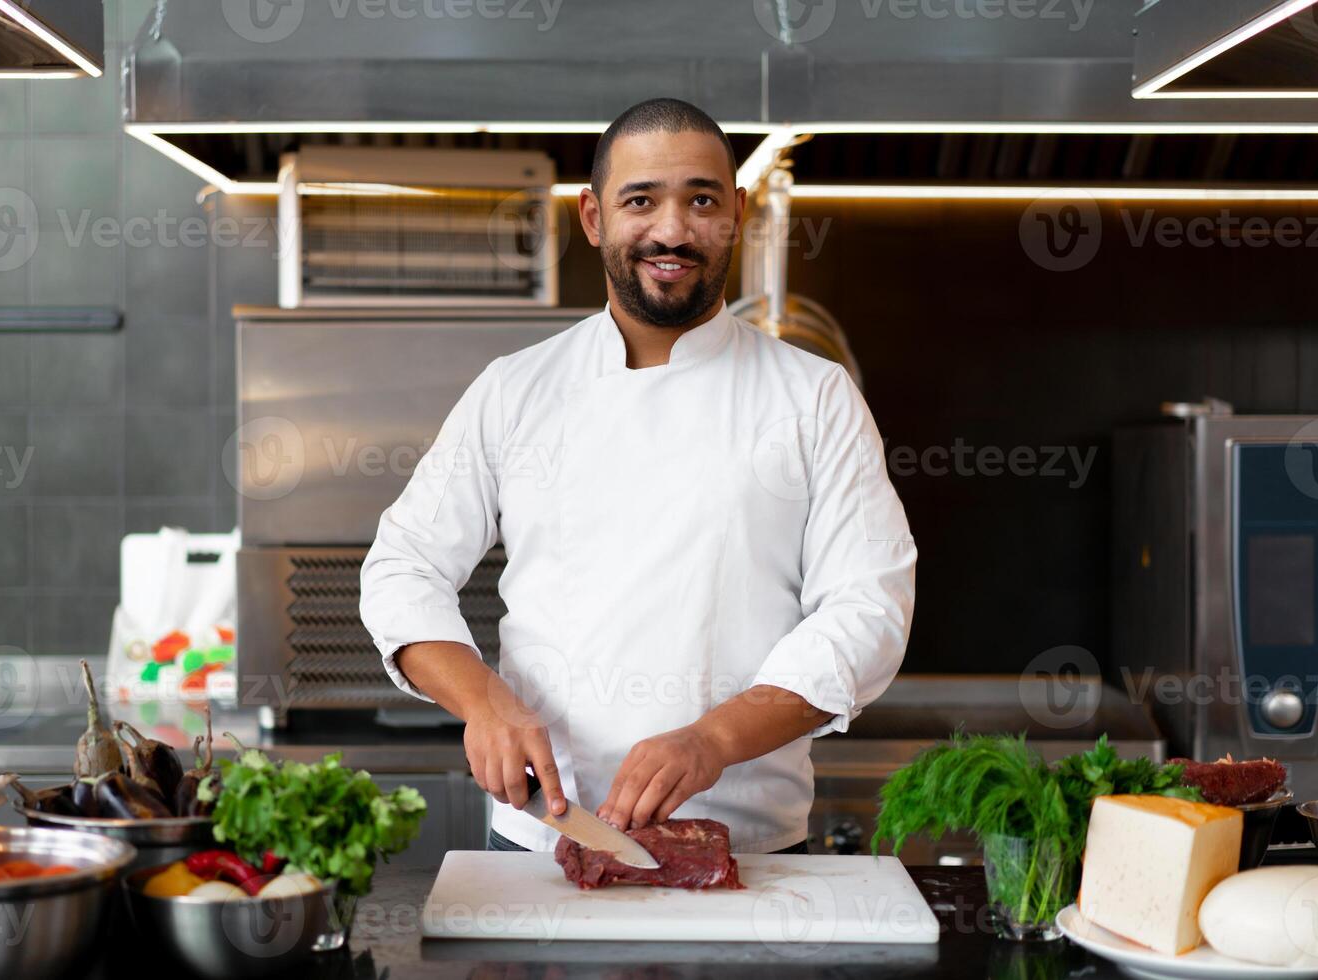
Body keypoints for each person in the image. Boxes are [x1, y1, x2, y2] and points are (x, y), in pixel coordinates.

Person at [360, 97, 916, 855]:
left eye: (701, 200)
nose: (672, 230)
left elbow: (868, 609)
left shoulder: (814, 397)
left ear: (737, 214)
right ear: (593, 217)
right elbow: (403, 566)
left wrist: (713, 739)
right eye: (641, 200)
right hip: (545, 835)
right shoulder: (515, 389)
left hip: (745, 847)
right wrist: (484, 701)